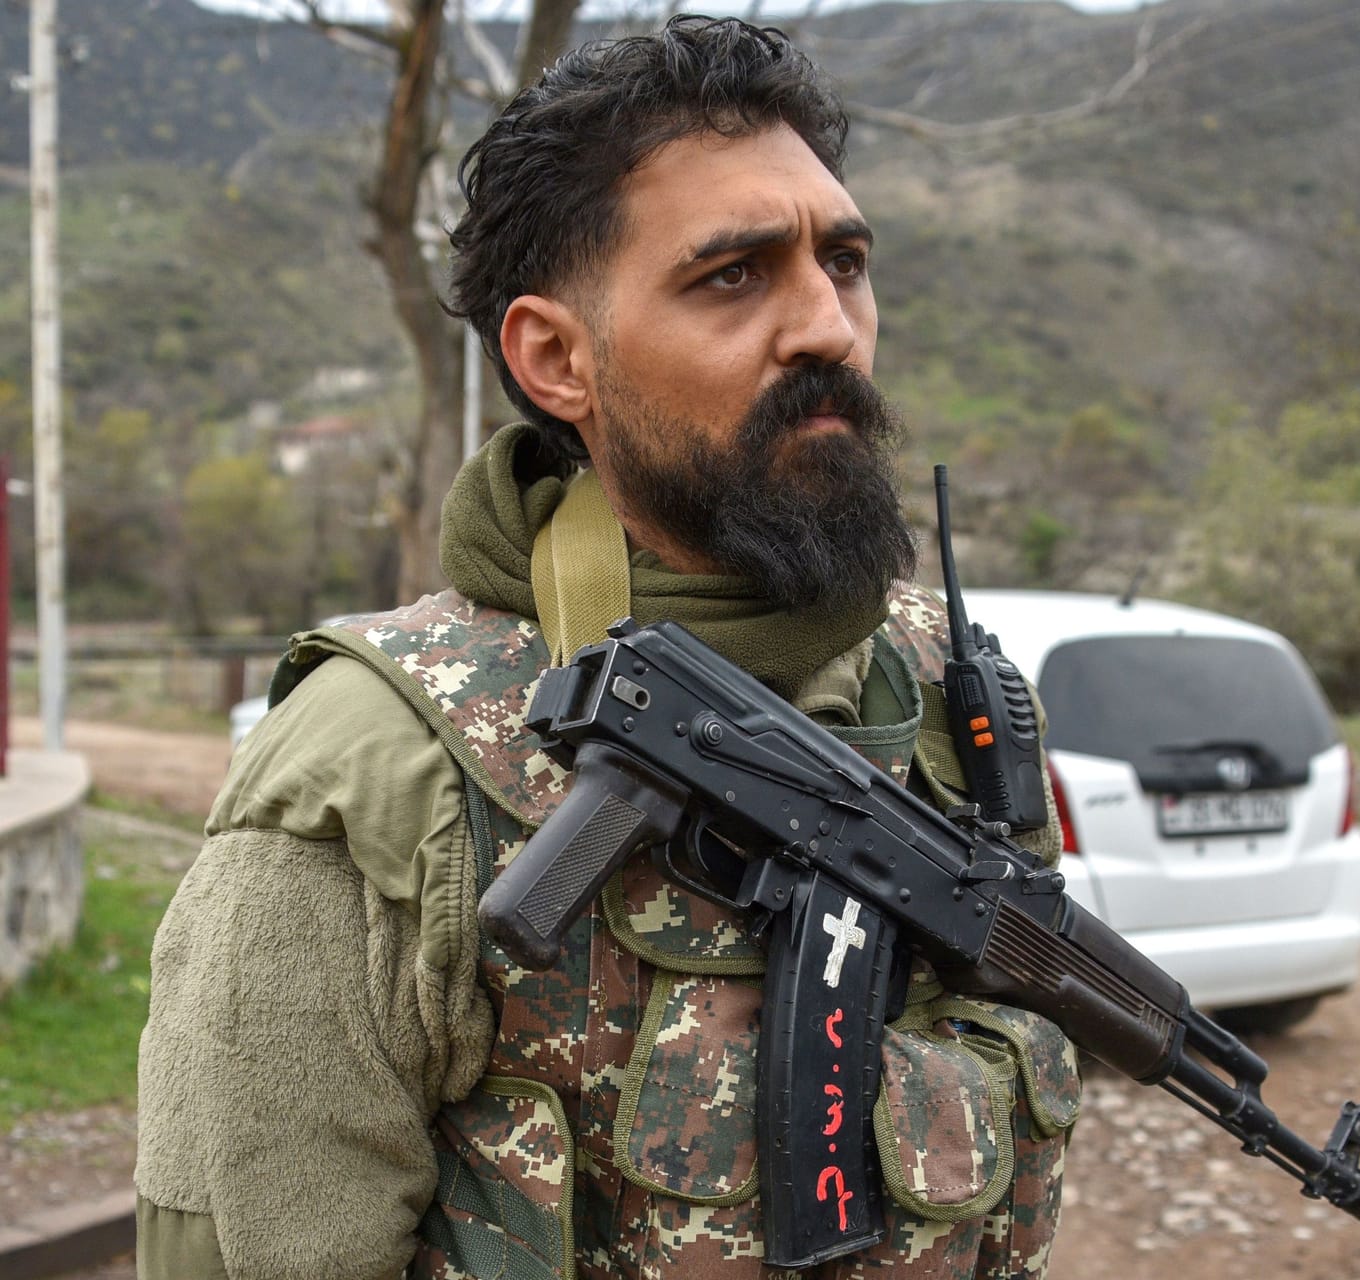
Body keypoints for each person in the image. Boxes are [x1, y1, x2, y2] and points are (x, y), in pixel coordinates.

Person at [135, 18, 1078, 1279]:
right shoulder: (376, 771)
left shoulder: (948, 696)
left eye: (843, 262)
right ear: (555, 357)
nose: (827, 328)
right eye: (733, 275)